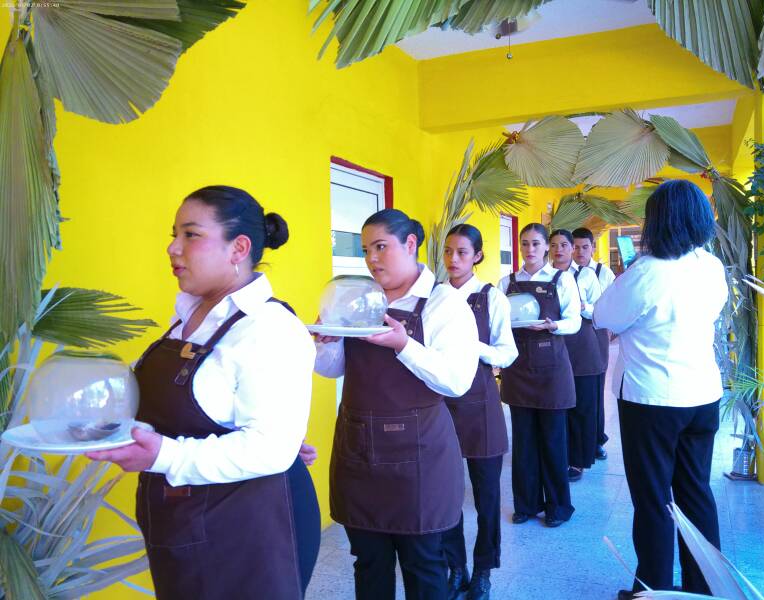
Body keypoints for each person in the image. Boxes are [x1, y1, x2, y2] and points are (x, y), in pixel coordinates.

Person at [87, 185, 321, 599]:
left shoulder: (269, 328)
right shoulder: (187, 318)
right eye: (174, 234)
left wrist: (162, 455)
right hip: (182, 519)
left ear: (238, 248)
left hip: (250, 528)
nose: (172, 248)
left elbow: (270, 449)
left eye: (191, 235)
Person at [315, 208, 479, 600]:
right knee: (368, 561)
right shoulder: (357, 300)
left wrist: (404, 345)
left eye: (380, 247)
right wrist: (326, 342)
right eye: (366, 250)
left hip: (419, 456)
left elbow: (456, 381)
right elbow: (332, 370)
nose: (371, 259)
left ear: (410, 244)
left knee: (424, 563)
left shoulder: (443, 303)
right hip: (359, 451)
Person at [593, 180, 728, 599]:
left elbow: (603, 316)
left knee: (653, 499)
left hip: (652, 401)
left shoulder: (646, 272)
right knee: (696, 492)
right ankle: (703, 588)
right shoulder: (710, 266)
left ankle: (653, 590)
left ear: (658, 222)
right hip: (702, 394)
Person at [440, 224, 517, 600]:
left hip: (481, 402)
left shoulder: (491, 297)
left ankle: (484, 571)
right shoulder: (434, 297)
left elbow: (507, 352)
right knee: (446, 493)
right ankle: (456, 568)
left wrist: (472, 346)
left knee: (487, 496)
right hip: (440, 405)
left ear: (478, 256)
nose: (453, 259)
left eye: (462, 252)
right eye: (448, 251)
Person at [498, 223, 581, 528]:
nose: (529, 249)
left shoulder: (562, 279)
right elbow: (498, 323)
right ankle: (526, 505)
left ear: (546, 246)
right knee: (523, 442)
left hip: (552, 371)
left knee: (553, 441)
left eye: (535, 243)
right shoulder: (506, 282)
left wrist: (552, 325)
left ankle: (558, 507)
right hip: (518, 369)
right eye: (524, 243)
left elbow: (574, 320)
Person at [549, 229, 603, 482]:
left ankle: (578, 460)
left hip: (581, 346)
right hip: (552, 346)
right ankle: (557, 455)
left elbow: (599, 311)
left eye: (563, 245)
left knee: (581, 406)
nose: (558, 250)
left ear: (572, 248)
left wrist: (582, 307)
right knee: (556, 405)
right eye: (553, 245)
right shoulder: (543, 276)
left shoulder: (586, 275)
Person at [572, 227, 616, 461]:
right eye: (575, 247)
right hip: (571, 337)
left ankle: (597, 439)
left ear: (593, 248)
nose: (579, 252)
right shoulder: (564, 272)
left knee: (596, 390)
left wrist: (584, 307)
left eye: (584, 247)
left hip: (596, 335)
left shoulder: (603, 273)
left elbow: (608, 307)